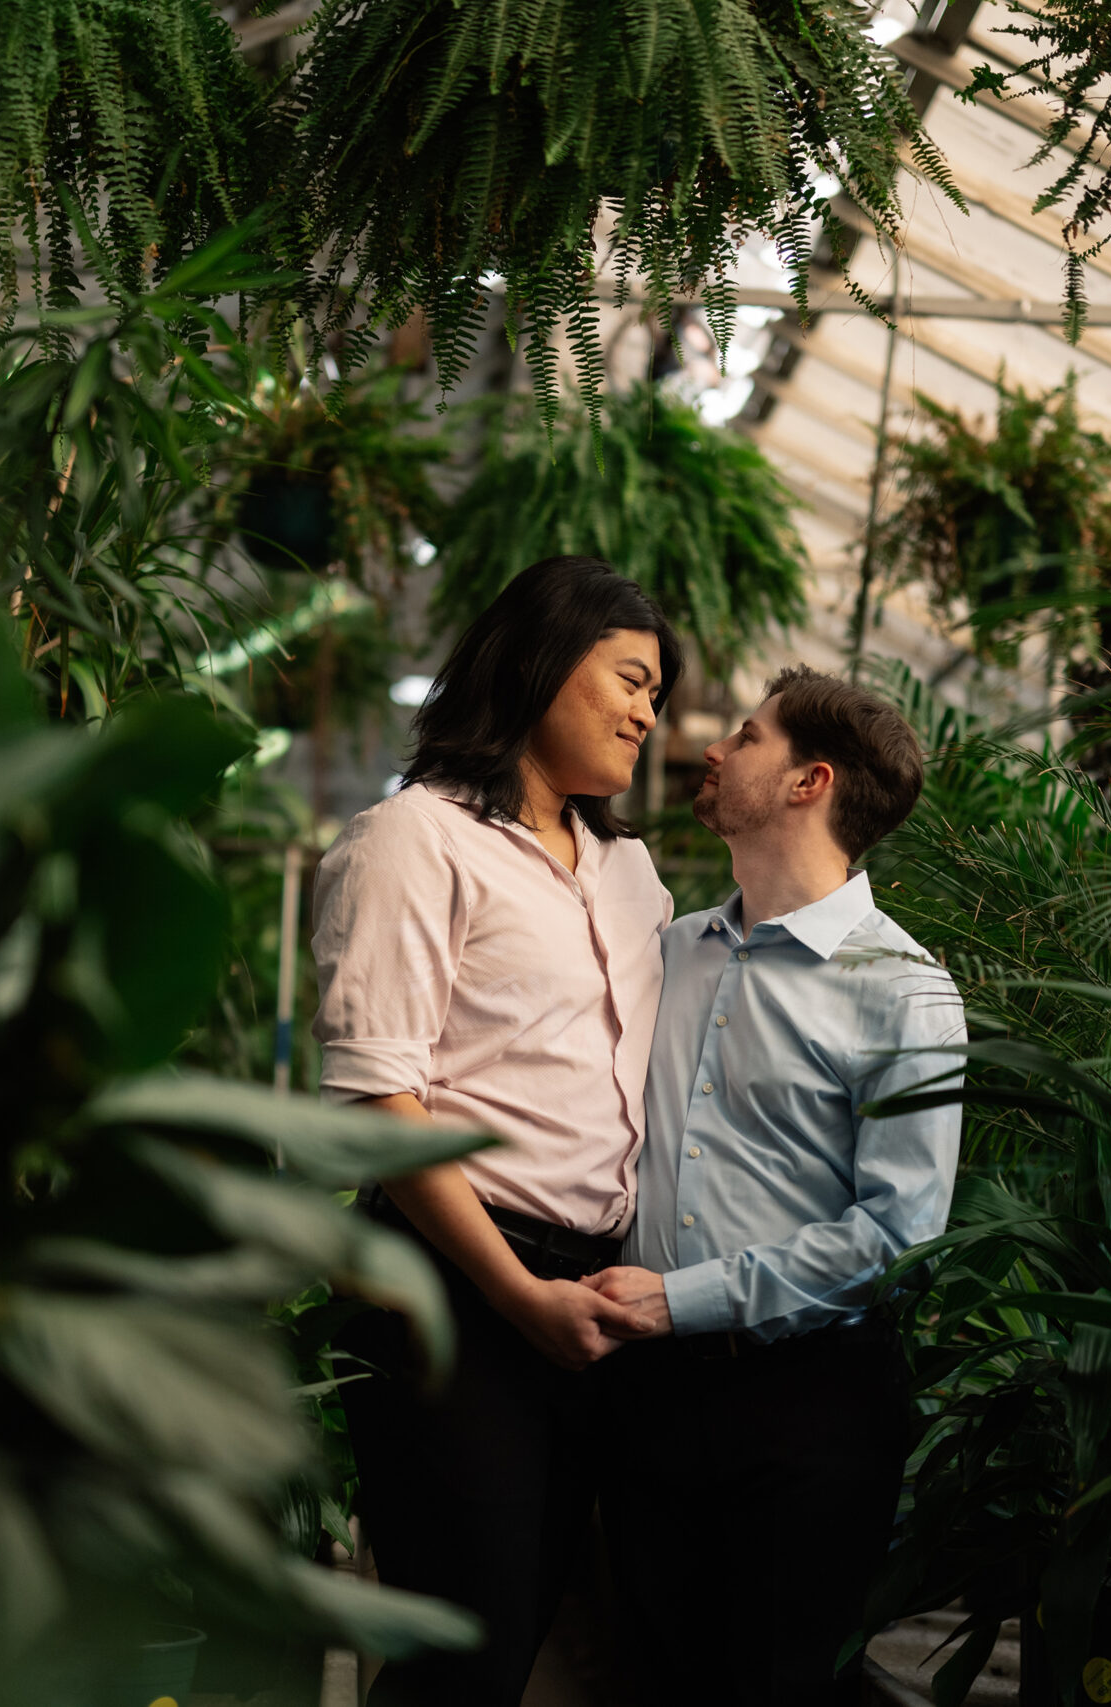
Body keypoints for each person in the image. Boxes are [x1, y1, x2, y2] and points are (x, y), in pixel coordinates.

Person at [310, 555, 681, 1706]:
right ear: (536, 662)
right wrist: (519, 1295)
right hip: (456, 1286)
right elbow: (379, 1101)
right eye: (628, 678)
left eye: (656, 695)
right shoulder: (414, 840)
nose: (645, 714)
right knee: (455, 1659)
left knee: (521, 1637)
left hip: (596, 1298)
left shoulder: (631, 872)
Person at [584, 664, 963, 1706]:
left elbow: (896, 1232)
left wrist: (680, 1297)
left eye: (745, 736)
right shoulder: (663, 953)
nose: (713, 747)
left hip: (811, 1404)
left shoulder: (904, 993)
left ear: (809, 783)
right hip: (644, 1391)